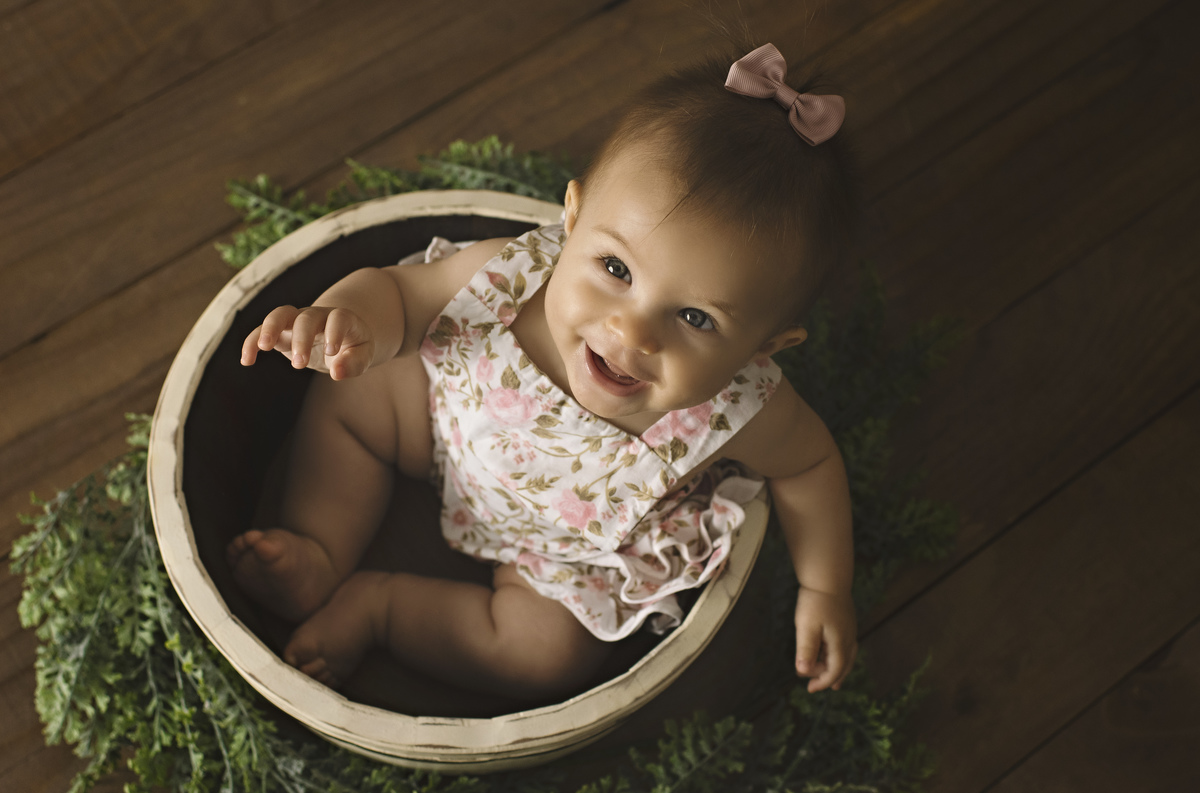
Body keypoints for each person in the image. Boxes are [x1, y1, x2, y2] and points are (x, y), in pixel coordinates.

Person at [228, 43, 859, 700]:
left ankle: (381, 606)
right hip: (447, 435)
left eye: (696, 318)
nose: (630, 331)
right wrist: (344, 316)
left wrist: (825, 586)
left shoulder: (740, 407)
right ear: (574, 218)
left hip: (559, 555)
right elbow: (400, 293)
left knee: (542, 654)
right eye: (615, 269)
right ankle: (319, 543)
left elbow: (809, 466)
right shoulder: (508, 275)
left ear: (766, 346)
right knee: (354, 392)